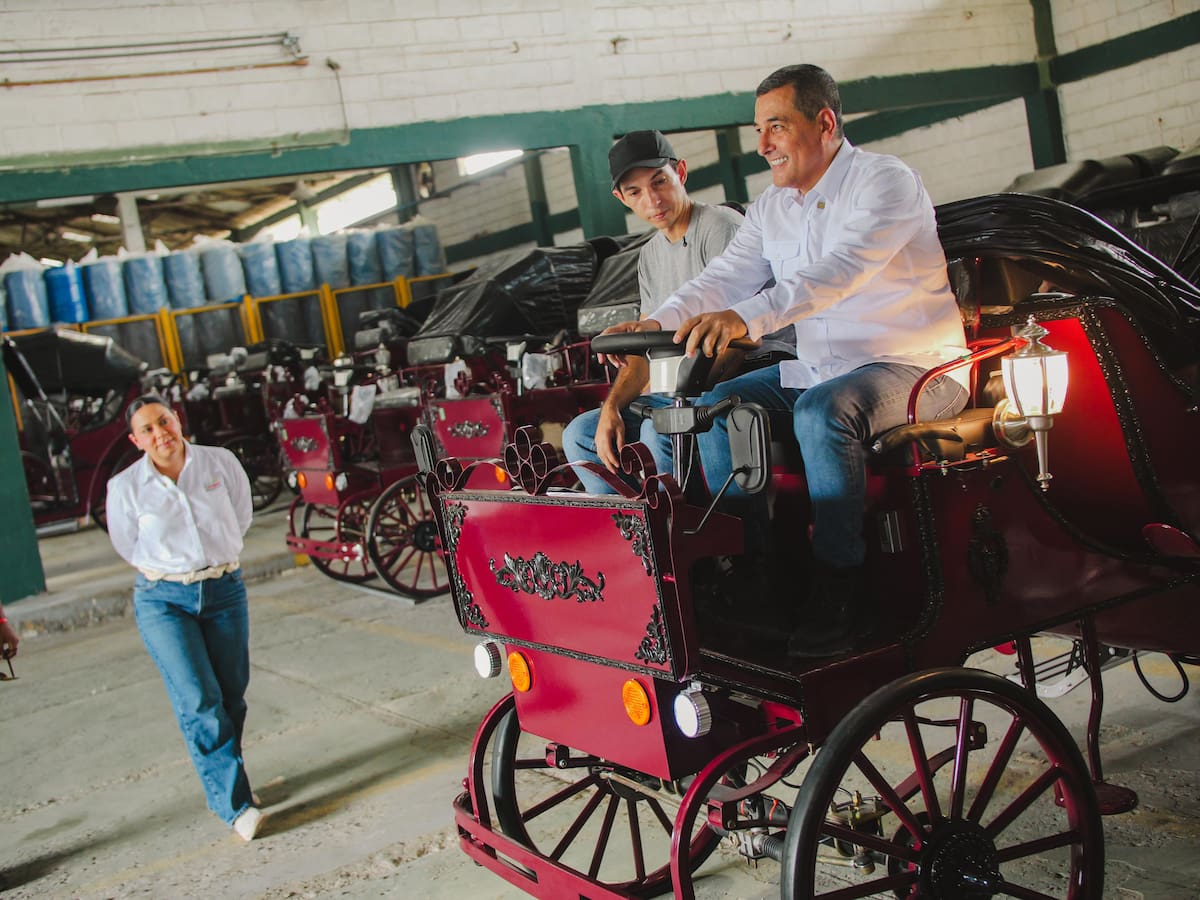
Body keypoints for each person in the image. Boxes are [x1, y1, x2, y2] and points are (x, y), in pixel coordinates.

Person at [604, 64, 970, 658]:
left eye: (777, 126)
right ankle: (758, 574)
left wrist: (750, 318)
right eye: (759, 129)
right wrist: (656, 323)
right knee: (717, 404)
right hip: (823, 365)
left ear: (824, 123)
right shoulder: (773, 207)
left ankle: (840, 589)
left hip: (913, 365)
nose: (763, 144)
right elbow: (722, 279)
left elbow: (839, 273)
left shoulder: (885, 182)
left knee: (822, 412)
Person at [106, 395, 263, 840]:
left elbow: (241, 517)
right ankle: (234, 806)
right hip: (163, 600)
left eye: (165, 421)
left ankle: (232, 783)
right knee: (200, 700)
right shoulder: (125, 488)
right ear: (137, 441)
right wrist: (176, 571)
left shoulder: (220, 464)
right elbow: (128, 545)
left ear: (178, 420)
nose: (161, 434)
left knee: (232, 696)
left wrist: (213, 560)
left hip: (224, 590)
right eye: (149, 430)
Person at [562, 130, 747, 490]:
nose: (652, 199)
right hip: (677, 387)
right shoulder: (649, 256)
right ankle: (635, 535)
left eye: (659, 181)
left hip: (732, 375)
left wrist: (669, 400)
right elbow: (646, 350)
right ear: (621, 198)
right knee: (582, 434)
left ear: (681, 172)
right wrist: (613, 407)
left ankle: (686, 532)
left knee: (655, 425)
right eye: (635, 192)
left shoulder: (721, 228)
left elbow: (737, 340)